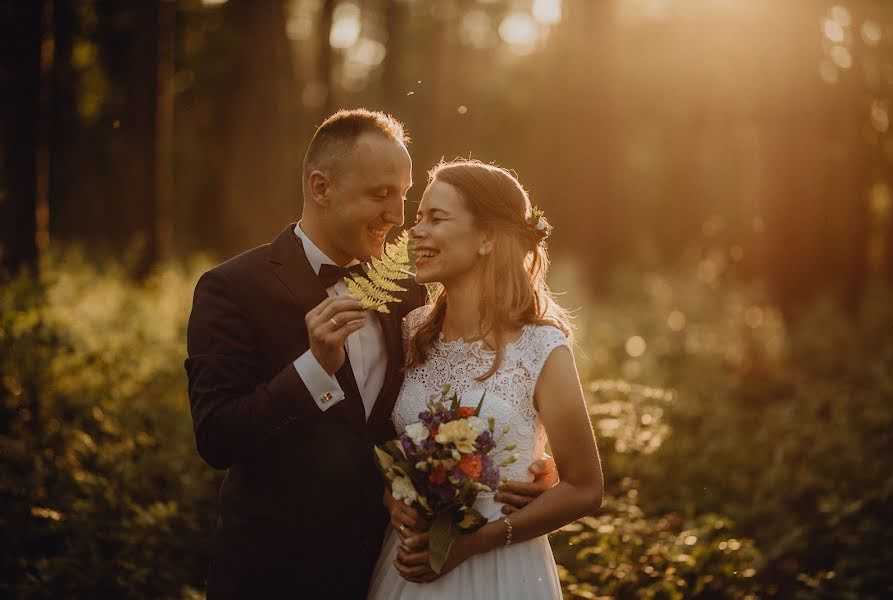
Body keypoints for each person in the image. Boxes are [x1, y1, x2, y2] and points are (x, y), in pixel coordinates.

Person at [185, 110, 557, 599]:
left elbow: (451, 399)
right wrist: (313, 370)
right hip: (275, 574)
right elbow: (216, 438)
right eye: (380, 194)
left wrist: (527, 463)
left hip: (388, 569)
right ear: (321, 188)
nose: (398, 216)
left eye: (403, 195)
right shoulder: (232, 289)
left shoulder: (411, 291)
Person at [367, 159, 604, 600]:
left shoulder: (541, 347)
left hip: (500, 568)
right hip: (408, 565)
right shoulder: (410, 331)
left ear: (487, 238)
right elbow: (379, 440)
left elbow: (586, 488)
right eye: (418, 218)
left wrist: (472, 543)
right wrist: (392, 496)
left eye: (436, 218)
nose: (415, 231)